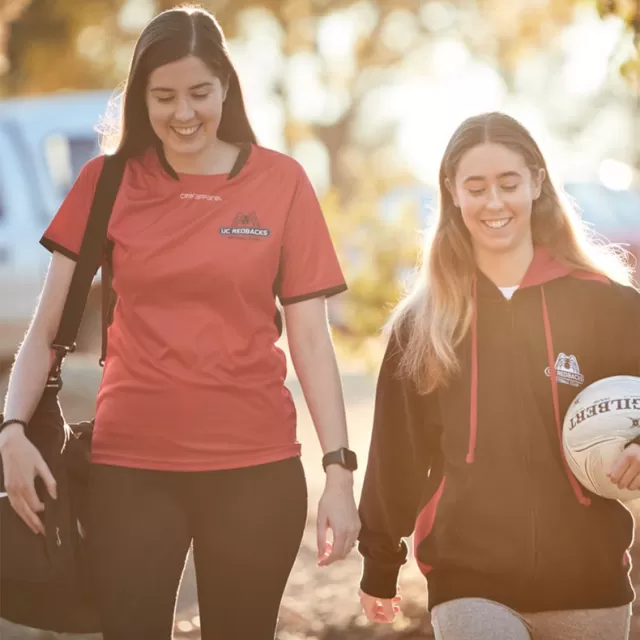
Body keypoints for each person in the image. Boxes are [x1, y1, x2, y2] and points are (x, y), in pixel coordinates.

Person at [0, 6, 360, 639]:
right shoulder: (105, 182)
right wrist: (10, 433)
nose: (183, 112)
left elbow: (310, 338)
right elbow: (47, 327)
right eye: (163, 96)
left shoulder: (282, 182)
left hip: (256, 468)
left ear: (225, 85)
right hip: (131, 471)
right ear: (141, 97)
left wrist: (338, 469)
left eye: (199, 92)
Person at [356, 112, 640, 639]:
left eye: (508, 184)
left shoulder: (607, 305)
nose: (494, 203)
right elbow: (397, 454)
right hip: (469, 580)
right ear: (453, 192)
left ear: (536, 182)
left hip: (590, 580)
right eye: (476, 187)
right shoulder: (424, 325)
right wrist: (380, 561)